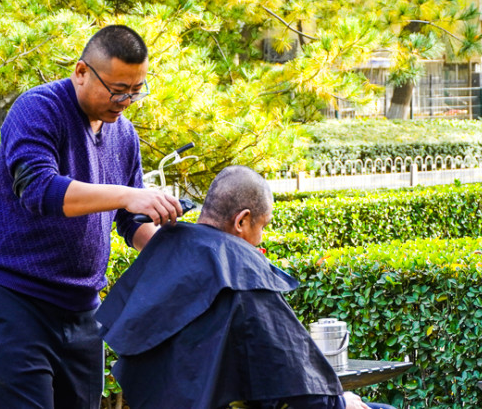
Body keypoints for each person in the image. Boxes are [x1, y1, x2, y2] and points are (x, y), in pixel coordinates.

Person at [0, 25, 183, 409]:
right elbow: (39, 190)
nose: (126, 101)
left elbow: (130, 221)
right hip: (16, 300)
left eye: (136, 91)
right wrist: (129, 195)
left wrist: (181, 248)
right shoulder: (38, 109)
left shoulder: (125, 135)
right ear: (81, 72)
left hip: (84, 308)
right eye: (117, 90)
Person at [97, 166, 394, 409]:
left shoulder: (169, 251)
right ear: (242, 221)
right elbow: (302, 385)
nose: (261, 239)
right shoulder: (240, 272)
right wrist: (343, 404)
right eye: (262, 226)